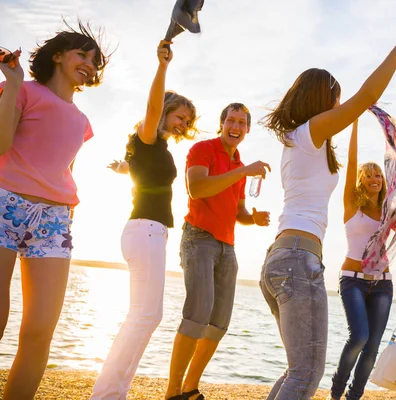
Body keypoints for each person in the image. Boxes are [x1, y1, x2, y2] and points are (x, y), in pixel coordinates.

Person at [259, 22, 396, 399]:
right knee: (305, 375)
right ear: (319, 100)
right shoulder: (309, 132)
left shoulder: (299, 140)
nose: (339, 105)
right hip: (298, 262)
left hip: (283, 258)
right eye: (335, 98)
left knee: (297, 371)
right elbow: (365, 96)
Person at [0, 22, 109, 399]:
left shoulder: (83, 122)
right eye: (82, 54)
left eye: (95, 61)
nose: (89, 64)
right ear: (58, 55)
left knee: (39, 330)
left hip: (53, 221)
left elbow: (65, 171)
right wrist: (12, 83)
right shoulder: (22, 90)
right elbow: (1, 144)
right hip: (5, 204)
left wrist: (67, 216)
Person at [90, 40, 198, 399]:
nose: (183, 122)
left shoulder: (150, 147)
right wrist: (162, 67)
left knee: (147, 316)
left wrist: (122, 168)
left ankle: (113, 391)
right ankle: (107, 393)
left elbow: (135, 171)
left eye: (187, 119)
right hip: (146, 231)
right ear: (165, 111)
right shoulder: (148, 135)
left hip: (147, 233)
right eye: (179, 115)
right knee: (144, 316)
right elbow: (152, 106)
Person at [165, 103, 271, 400]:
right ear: (222, 123)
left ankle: (190, 387)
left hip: (228, 246)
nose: (235, 127)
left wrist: (255, 218)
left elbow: (238, 212)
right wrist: (245, 172)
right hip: (198, 239)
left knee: (218, 323)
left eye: (241, 123)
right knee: (197, 316)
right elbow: (196, 188)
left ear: (247, 129)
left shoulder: (240, 166)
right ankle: (172, 391)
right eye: (231, 121)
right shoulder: (202, 149)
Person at [328, 120, 396, 400]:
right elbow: (350, 161)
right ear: (361, 180)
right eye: (368, 175)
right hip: (352, 281)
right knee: (358, 337)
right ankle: (335, 394)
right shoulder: (351, 204)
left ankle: (353, 397)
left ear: (384, 181)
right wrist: (356, 121)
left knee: (372, 346)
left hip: (383, 284)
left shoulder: (389, 215)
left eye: (378, 176)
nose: (374, 179)